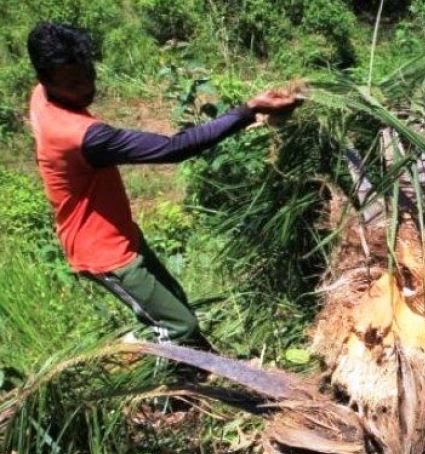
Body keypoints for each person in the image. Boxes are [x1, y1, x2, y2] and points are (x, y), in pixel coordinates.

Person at [26, 22, 301, 352]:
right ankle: (149, 383)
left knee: (176, 304)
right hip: (106, 254)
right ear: (47, 80)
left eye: (88, 73)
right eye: (73, 83)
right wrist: (249, 110)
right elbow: (173, 148)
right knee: (178, 326)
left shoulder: (41, 97)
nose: (86, 87)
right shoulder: (82, 135)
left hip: (118, 232)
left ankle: (195, 369)